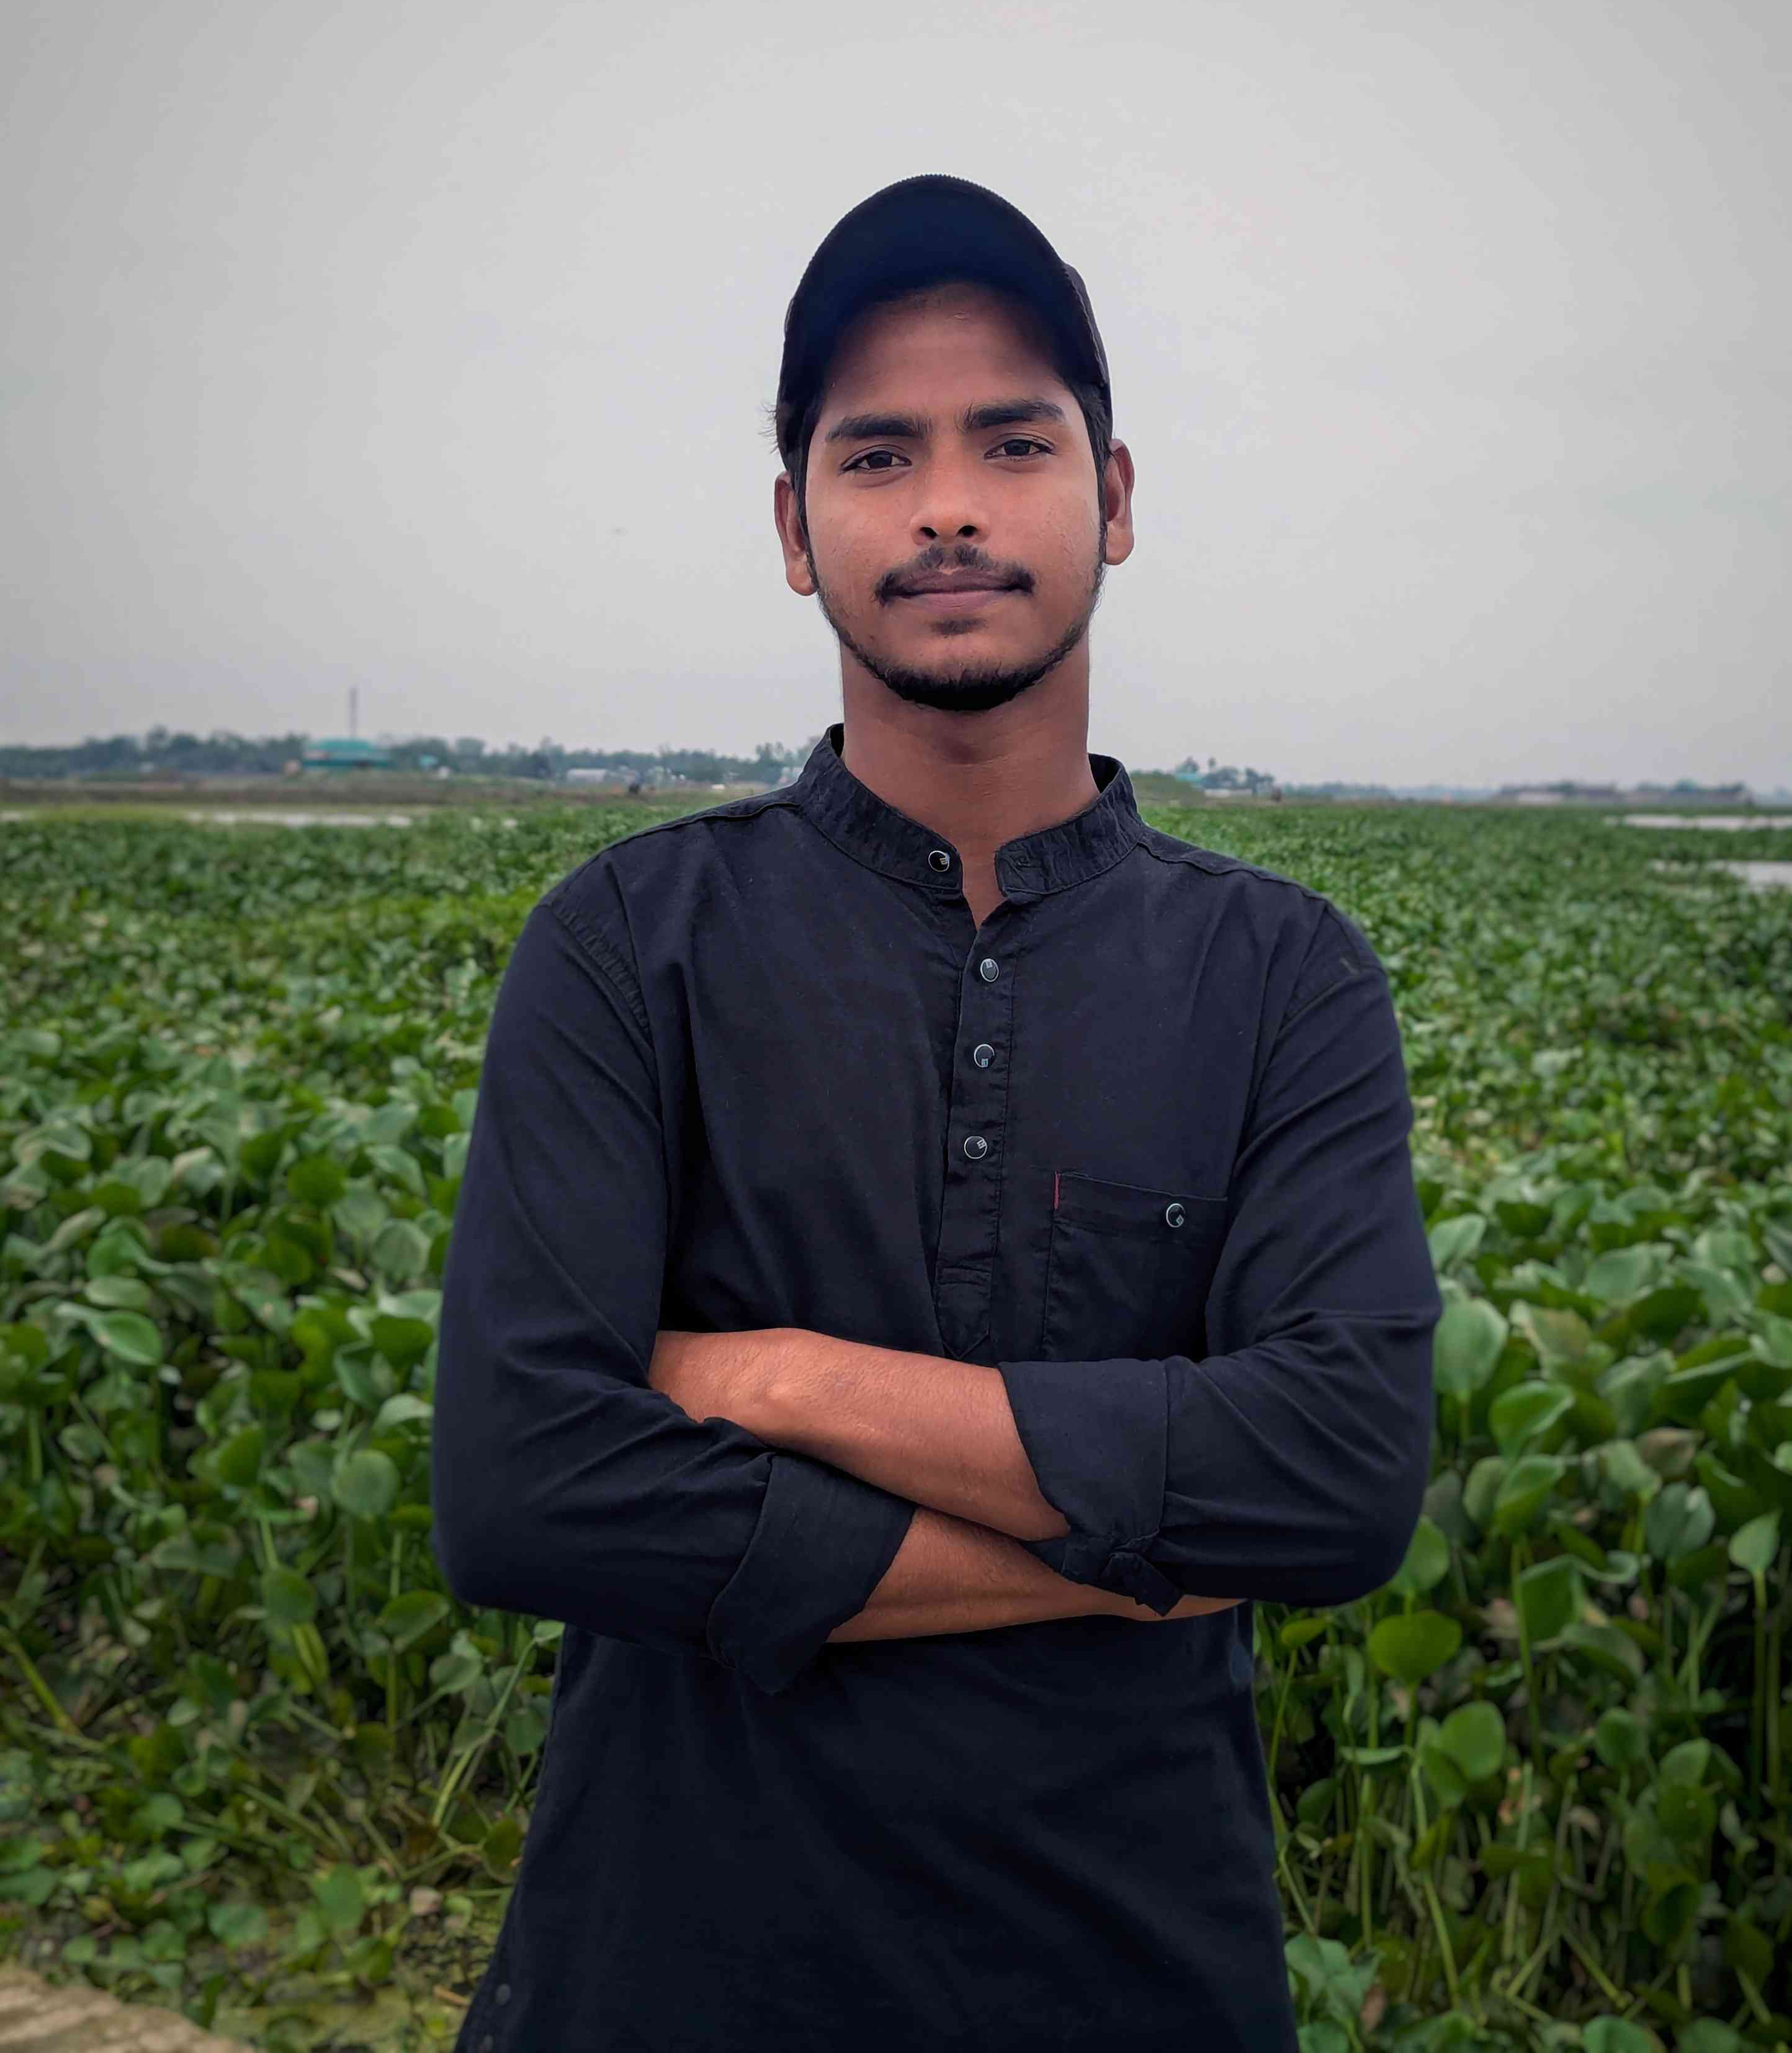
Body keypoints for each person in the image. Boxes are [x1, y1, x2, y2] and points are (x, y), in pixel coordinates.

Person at [432, 174, 1443, 2052]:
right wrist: (1131, 1560)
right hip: (670, 1985)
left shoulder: (1285, 976)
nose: (949, 506)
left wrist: (780, 1379)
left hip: (1135, 1991)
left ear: (1113, 498)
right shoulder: (631, 943)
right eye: (878, 453)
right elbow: (526, 1493)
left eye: (1013, 443)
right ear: (797, 530)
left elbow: (1338, 1476)